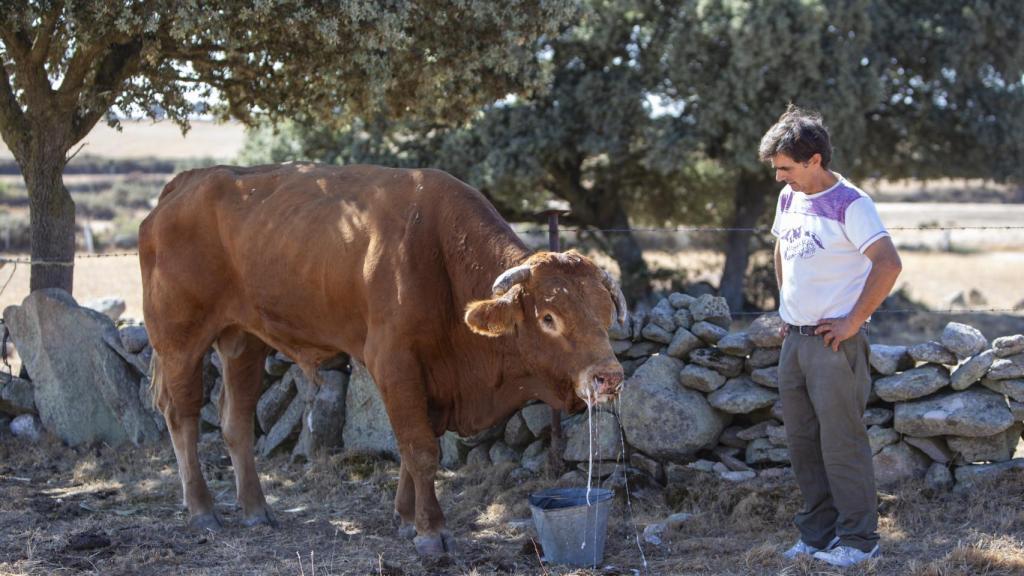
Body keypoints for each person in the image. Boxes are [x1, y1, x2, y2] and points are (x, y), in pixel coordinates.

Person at [759, 105, 902, 568]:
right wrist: (786, 305)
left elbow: (889, 264)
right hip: (795, 340)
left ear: (814, 159)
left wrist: (853, 321)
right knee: (803, 443)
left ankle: (860, 542)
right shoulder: (789, 199)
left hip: (834, 344)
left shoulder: (853, 204)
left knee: (842, 443)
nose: (780, 178)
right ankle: (817, 536)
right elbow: (782, 248)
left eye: (786, 168)